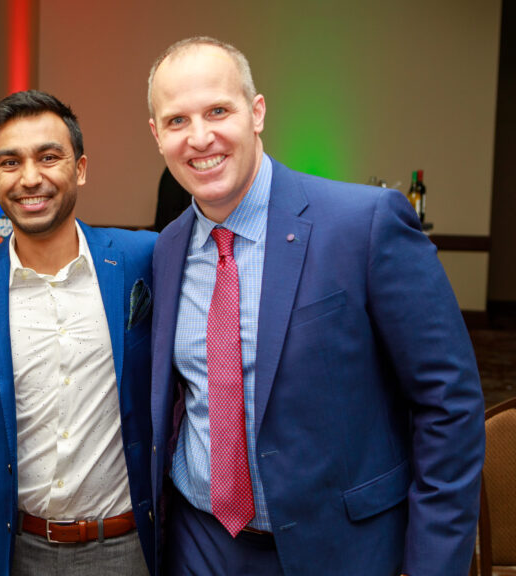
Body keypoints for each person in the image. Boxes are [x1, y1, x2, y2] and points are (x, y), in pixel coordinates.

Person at [146, 37, 485, 576]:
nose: (201, 137)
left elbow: (450, 405)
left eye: (218, 111)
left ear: (256, 113)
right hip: (201, 544)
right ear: (157, 136)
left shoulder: (365, 225)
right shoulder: (166, 249)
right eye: (177, 120)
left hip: (341, 551)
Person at [0, 90, 157, 576]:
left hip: (129, 544)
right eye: (10, 162)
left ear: (81, 168)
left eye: (48, 157)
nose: (30, 178)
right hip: (15, 546)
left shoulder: (144, 260)